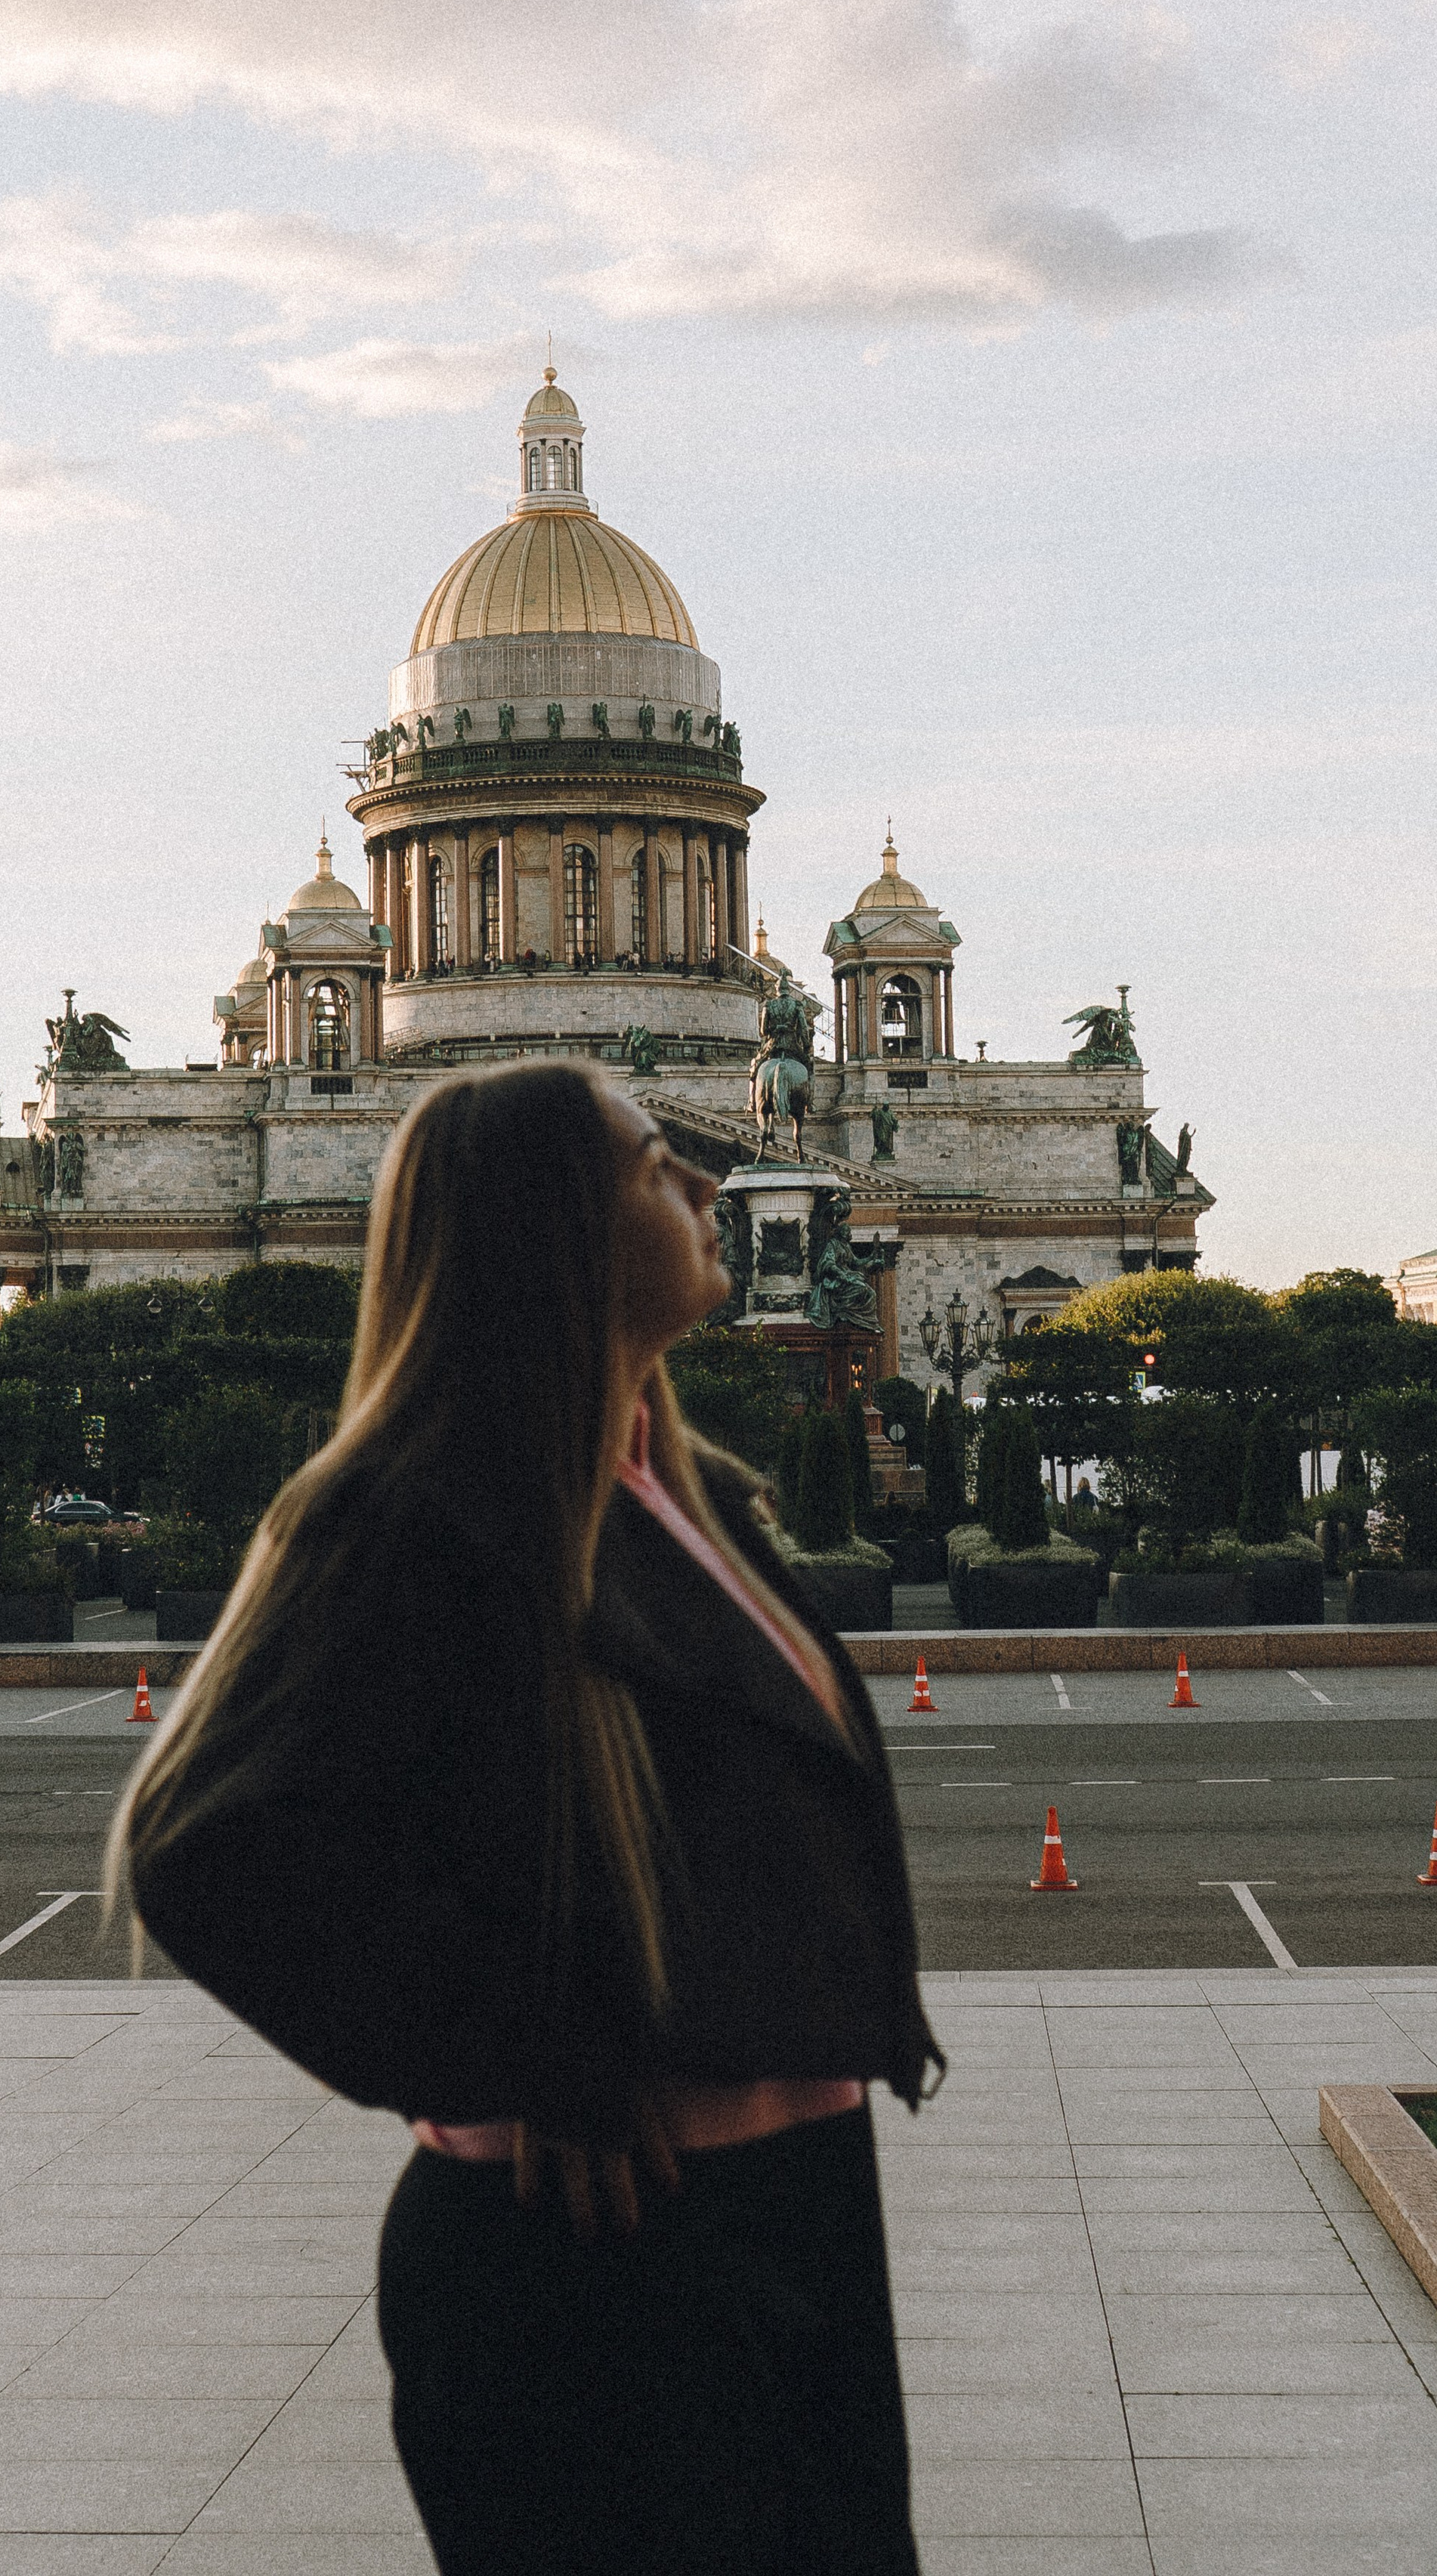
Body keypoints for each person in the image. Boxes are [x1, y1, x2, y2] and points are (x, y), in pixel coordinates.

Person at [111, 1059, 944, 2574]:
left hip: (790, 2204)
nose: (705, 1185)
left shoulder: (679, 1493)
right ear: (551, 1231)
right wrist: (526, 2057)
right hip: (597, 2262)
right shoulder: (418, 1510)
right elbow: (206, 1850)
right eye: (653, 1166)